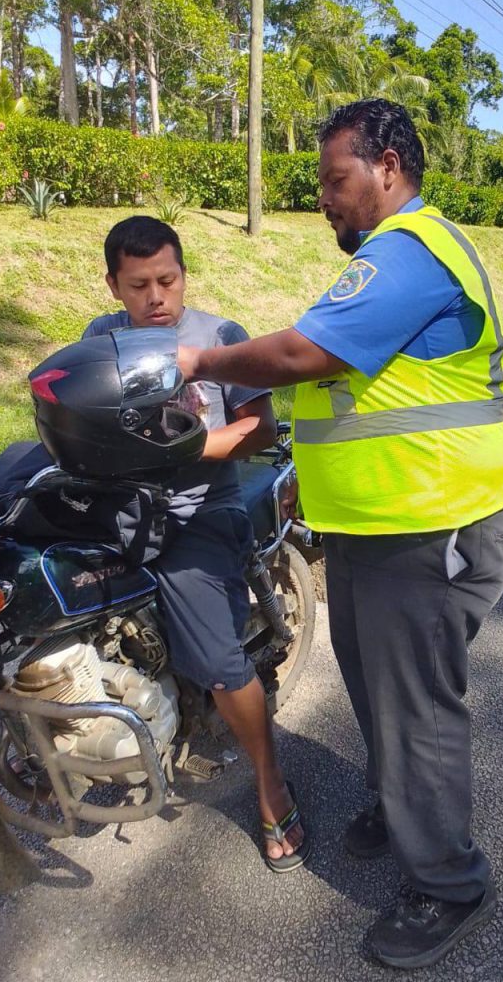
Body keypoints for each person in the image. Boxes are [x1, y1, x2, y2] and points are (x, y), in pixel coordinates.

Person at [177, 100, 503, 968]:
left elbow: (304, 357)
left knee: (416, 707)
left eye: (336, 179)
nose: (325, 197)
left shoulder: (412, 250)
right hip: (376, 523)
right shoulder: (382, 258)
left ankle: (450, 882)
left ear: (388, 167)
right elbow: (356, 396)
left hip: (429, 519)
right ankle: (403, 809)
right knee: (376, 688)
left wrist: (199, 361)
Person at [83, 215, 310, 872]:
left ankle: (269, 782)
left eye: (167, 280)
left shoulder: (219, 337)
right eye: (138, 285)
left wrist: (184, 449)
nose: (156, 297)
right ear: (114, 285)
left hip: (199, 509)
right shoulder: (100, 340)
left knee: (215, 657)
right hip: (120, 508)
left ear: (183, 275)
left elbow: (258, 428)